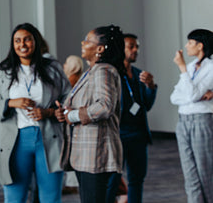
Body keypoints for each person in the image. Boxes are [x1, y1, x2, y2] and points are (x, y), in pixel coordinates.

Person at [0, 23, 70, 203]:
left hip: (48, 139)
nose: (22, 44)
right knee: (15, 198)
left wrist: (49, 112)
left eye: (27, 39)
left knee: (51, 198)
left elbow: (68, 98)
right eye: (17, 40)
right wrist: (10, 103)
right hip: (15, 143)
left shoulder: (53, 68)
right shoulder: (1, 72)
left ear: (35, 42)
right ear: (13, 44)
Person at [55, 24, 124, 203]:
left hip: (97, 155)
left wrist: (72, 116)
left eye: (87, 41)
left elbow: (105, 106)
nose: (82, 43)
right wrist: (65, 113)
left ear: (100, 48)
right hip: (87, 154)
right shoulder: (91, 71)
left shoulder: (104, 71)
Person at [106, 33, 157, 203]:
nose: (136, 50)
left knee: (137, 180)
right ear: (121, 49)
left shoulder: (139, 74)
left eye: (137, 47)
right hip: (117, 135)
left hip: (138, 135)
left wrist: (150, 87)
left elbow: (146, 106)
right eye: (131, 46)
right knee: (112, 181)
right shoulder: (111, 74)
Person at [170, 28, 213, 203]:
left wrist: (181, 69)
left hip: (201, 120)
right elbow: (174, 97)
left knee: (205, 172)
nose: (186, 46)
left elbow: (192, 95)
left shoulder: (211, 67)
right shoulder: (189, 68)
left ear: (200, 45)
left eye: (190, 42)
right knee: (189, 174)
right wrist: (192, 95)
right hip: (183, 122)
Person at [61, 55, 84, 195]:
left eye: (66, 63)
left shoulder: (69, 82)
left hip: (73, 121)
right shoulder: (83, 80)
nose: (63, 66)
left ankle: (72, 183)